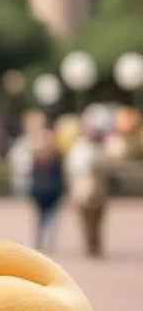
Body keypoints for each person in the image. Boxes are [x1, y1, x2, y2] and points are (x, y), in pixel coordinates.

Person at [66, 105, 115, 258]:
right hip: (82, 189)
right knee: (85, 219)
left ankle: (95, 244)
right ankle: (90, 244)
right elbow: (72, 169)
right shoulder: (78, 147)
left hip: (97, 190)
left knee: (98, 219)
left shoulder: (100, 148)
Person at [25, 124, 65, 254]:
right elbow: (32, 175)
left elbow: (61, 175)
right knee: (40, 220)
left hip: (53, 192)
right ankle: (40, 243)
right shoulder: (35, 155)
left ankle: (47, 244)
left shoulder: (56, 156)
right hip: (39, 192)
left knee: (52, 220)